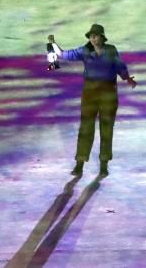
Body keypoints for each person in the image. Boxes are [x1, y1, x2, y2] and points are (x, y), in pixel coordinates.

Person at [48, 24, 137, 176]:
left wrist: (127, 78)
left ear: (102, 36)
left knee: (106, 129)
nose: (93, 39)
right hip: (90, 92)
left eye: (95, 36)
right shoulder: (84, 51)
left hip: (108, 93)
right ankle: (80, 164)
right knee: (86, 128)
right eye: (91, 36)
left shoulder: (111, 50)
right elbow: (63, 54)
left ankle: (104, 164)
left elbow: (119, 66)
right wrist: (52, 44)